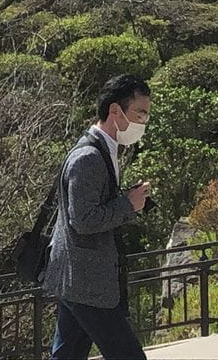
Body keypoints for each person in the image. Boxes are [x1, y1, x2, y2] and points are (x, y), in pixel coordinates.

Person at [44, 74, 153, 359]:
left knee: (68, 354)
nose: (144, 121)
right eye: (139, 113)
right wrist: (128, 205)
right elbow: (83, 220)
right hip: (87, 279)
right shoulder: (89, 157)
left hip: (78, 276)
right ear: (115, 111)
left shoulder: (103, 150)